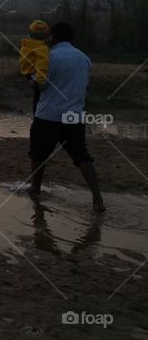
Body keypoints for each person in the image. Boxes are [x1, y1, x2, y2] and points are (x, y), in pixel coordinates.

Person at [28, 22, 105, 211]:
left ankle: (35, 187)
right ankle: (97, 198)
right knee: (82, 156)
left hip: (48, 114)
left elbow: (40, 84)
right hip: (74, 116)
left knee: (39, 154)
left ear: (52, 37)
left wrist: (31, 79)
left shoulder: (49, 57)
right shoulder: (84, 58)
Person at [20, 20, 50, 115]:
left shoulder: (25, 45)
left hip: (28, 74)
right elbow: (42, 65)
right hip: (36, 79)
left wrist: (28, 78)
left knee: (36, 106)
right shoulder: (42, 49)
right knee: (39, 104)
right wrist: (40, 81)